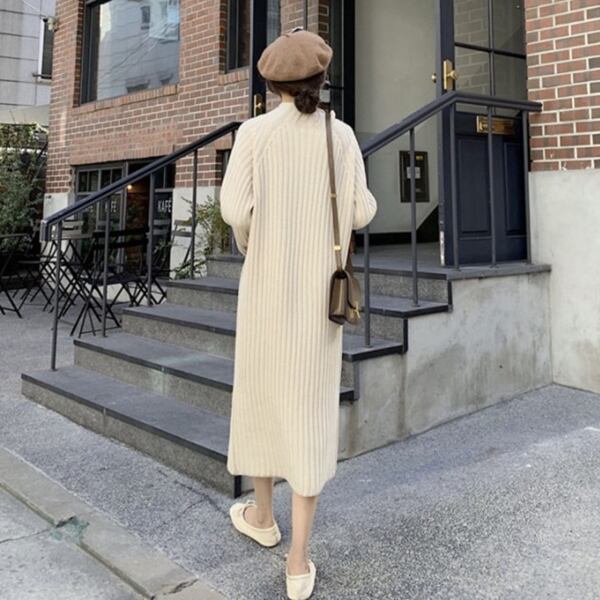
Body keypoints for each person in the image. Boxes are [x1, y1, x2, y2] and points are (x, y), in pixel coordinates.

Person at [219, 27, 378, 600]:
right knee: (310, 409)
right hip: (317, 299)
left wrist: (254, 237)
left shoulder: (253, 133)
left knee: (261, 395)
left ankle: (263, 516)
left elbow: (234, 209)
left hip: (265, 290)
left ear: (271, 85)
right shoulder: (341, 134)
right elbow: (361, 212)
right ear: (321, 78)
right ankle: (298, 559)